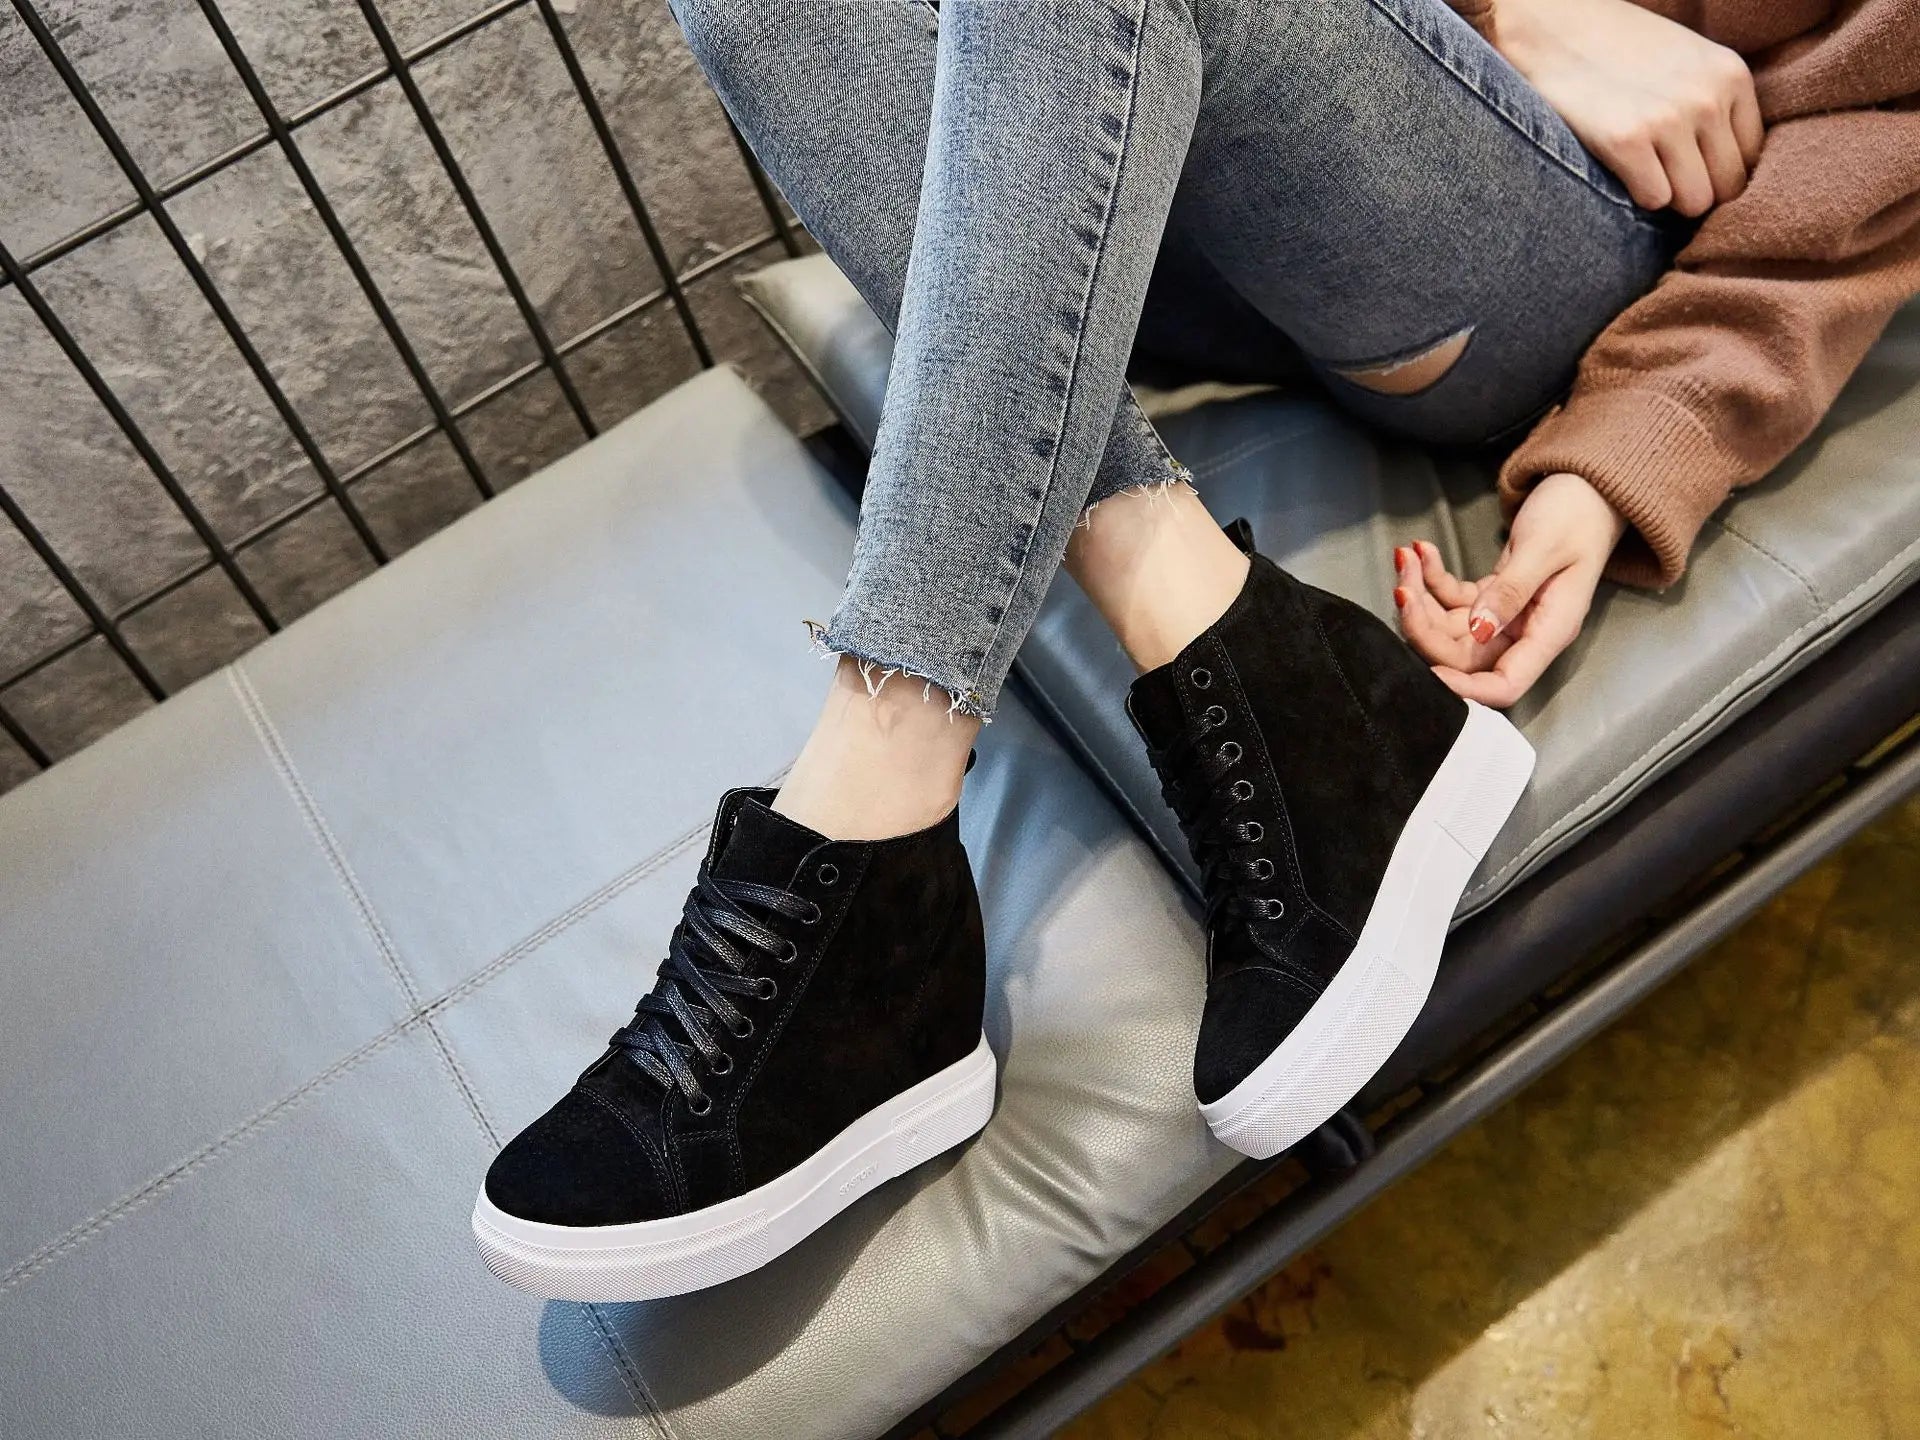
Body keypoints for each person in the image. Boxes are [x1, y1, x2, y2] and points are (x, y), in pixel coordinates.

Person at [470, 0, 1920, 1301]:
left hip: (1526, 237)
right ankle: (1228, 629)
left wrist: (1632, 448)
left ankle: (873, 809)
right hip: (1175, 161)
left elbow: (1880, 147)